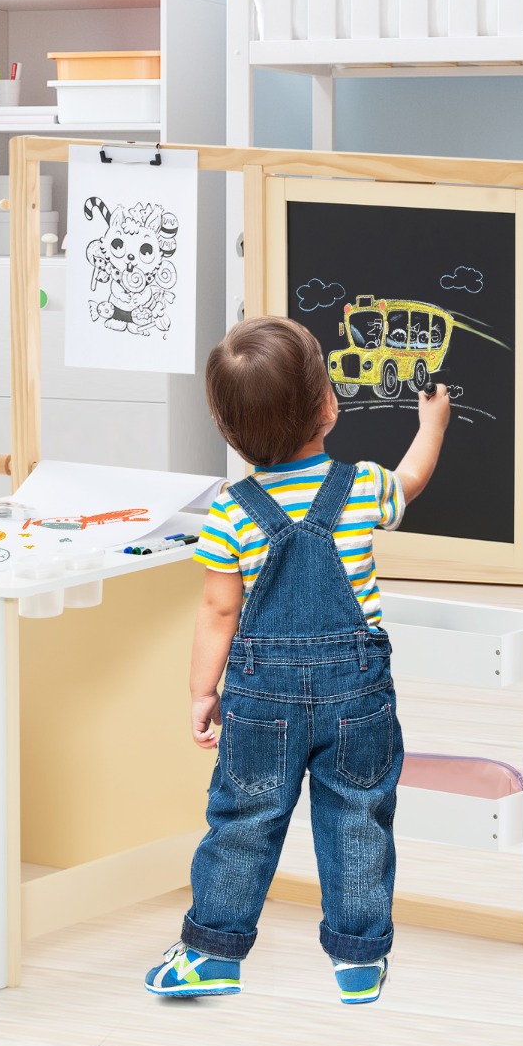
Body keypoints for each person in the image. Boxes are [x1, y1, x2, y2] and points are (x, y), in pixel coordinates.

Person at [144, 316, 449, 1005]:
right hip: (357, 693)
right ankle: (360, 959)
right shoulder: (365, 487)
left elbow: (219, 613)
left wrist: (202, 691)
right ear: (328, 407)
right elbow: (414, 479)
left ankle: (213, 954)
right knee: (357, 816)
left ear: (227, 428)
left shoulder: (228, 513)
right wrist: (432, 423)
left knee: (244, 821)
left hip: (261, 700)